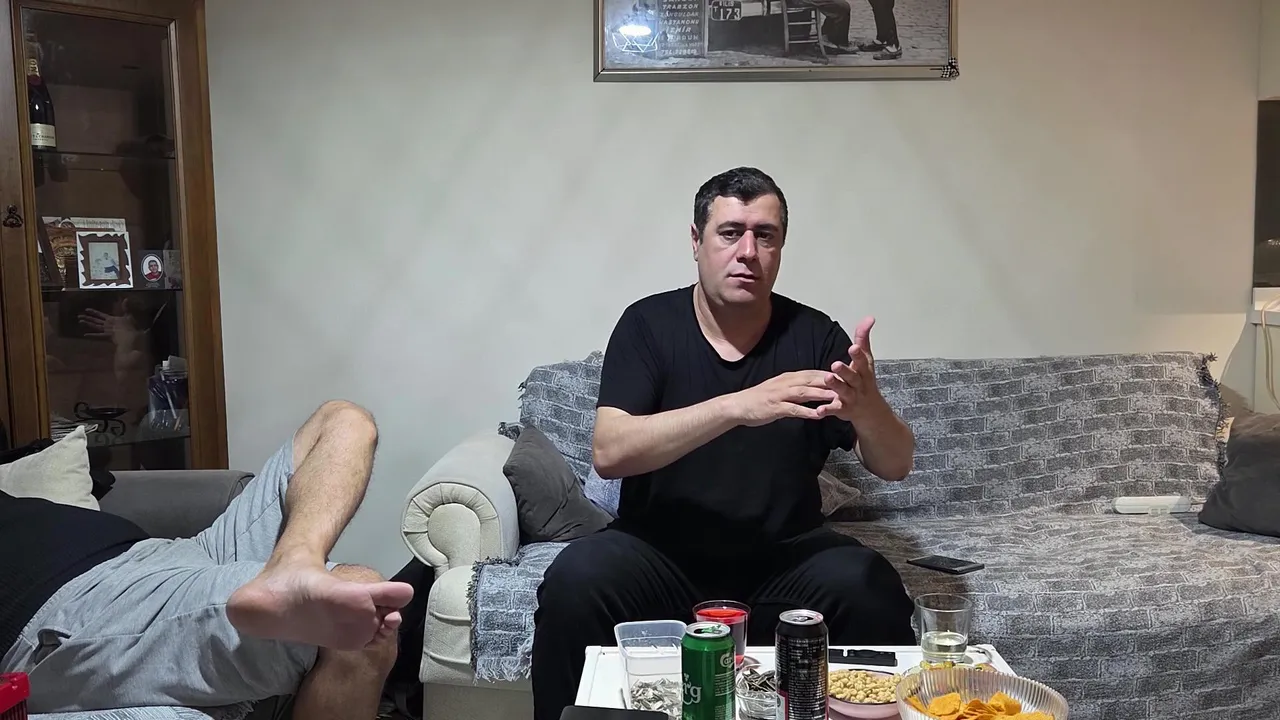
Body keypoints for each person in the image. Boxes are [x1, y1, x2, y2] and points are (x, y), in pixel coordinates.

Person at [530, 167, 917, 720]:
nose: (748, 252)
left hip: (784, 555)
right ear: (696, 241)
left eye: (766, 235)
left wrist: (868, 406)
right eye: (731, 233)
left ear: (781, 247)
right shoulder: (648, 325)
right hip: (657, 552)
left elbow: (896, 464)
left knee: (869, 586)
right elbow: (611, 453)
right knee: (574, 582)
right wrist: (738, 406)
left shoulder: (815, 335)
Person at [0, 400, 415, 717]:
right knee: (361, 612)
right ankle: (285, 581)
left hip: (173, 551)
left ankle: (292, 564)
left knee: (344, 420)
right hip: (84, 602)